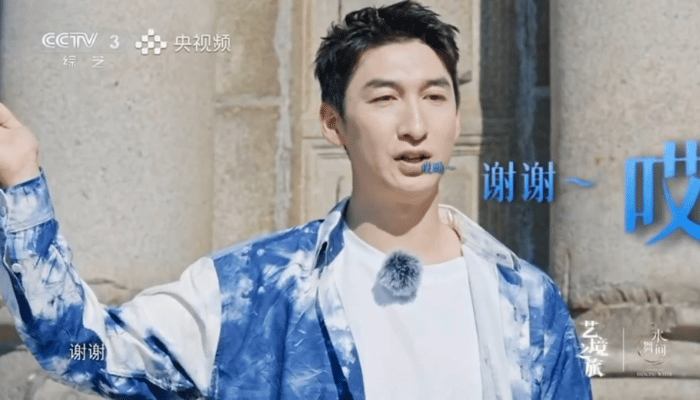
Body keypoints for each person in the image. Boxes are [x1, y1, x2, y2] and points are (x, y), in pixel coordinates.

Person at [0, 1, 591, 399]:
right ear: (334, 123)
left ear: (457, 118)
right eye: (384, 98)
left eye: (435, 97)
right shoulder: (250, 290)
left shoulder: (525, 302)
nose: (416, 126)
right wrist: (21, 180)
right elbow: (82, 347)